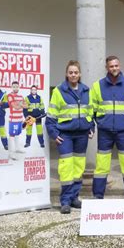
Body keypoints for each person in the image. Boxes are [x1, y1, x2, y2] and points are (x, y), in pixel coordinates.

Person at [46, 60, 94, 214]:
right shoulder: (59, 91)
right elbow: (51, 116)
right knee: (67, 167)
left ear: (79, 74)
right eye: (70, 72)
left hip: (82, 135)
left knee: (78, 167)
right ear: (67, 74)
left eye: (76, 72)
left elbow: (90, 112)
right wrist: (54, 134)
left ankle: (74, 197)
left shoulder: (87, 90)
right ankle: (65, 201)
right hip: (65, 135)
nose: (73, 75)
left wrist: (91, 127)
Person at [91, 56, 124, 199]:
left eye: (116, 65)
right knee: (102, 163)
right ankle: (98, 194)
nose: (114, 68)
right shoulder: (97, 86)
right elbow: (92, 109)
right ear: (107, 68)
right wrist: (100, 122)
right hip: (105, 131)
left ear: (120, 66)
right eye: (111, 66)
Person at [7, 81, 28, 160]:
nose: (15, 88)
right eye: (14, 86)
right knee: (12, 135)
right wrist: (20, 104)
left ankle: (17, 148)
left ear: (19, 87)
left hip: (20, 118)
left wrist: (19, 104)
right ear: (12, 87)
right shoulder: (9, 96)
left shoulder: (21, 96)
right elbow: (15, 107)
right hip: (13, 119)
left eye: (17, 86)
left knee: (18, 133)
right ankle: (11, 153)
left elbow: (26, 106)